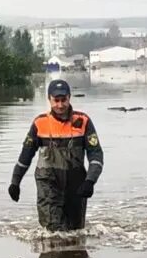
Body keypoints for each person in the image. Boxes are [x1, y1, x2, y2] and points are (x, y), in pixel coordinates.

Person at [8, 80, 104, 232]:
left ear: (69, 97)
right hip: (48, 181)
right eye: (56, 100)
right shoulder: (40, 123)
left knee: (75, 232)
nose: (60, 105)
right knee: (52, 230)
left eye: (63, 100)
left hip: (76, 182)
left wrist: (90, 181)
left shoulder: (83, 121)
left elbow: (96, 155)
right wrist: (15, 182)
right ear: (49, 99)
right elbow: (25, 156)